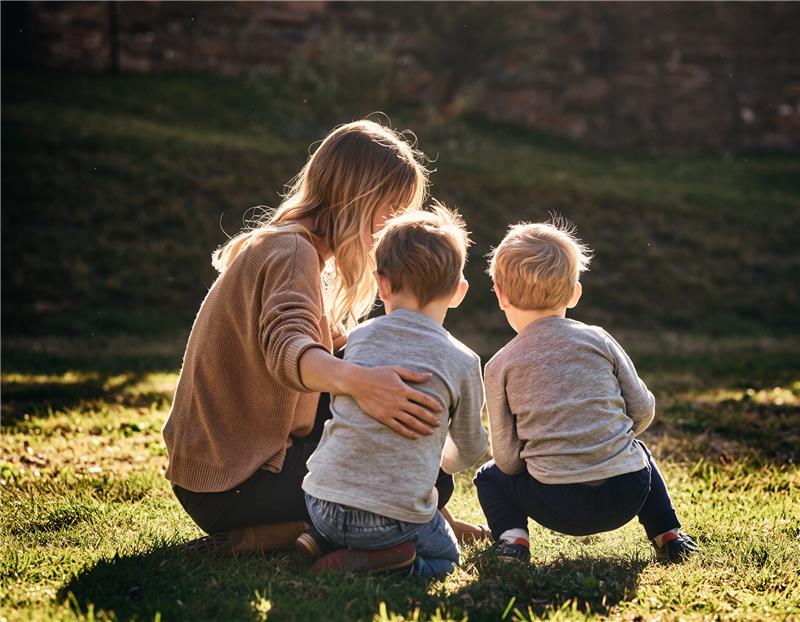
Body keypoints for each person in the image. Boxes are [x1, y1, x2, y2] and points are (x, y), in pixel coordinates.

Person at [162, 120, 482, 554]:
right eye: (393, 210)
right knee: (426, 470)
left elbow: (338, 349)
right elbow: (288, 349)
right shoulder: (293, 252)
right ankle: (294, 532)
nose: (395, 227)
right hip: (237, 480)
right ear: (358, 198)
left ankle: (407, 519)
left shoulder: (291, 249)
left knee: (398, 436)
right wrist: (364, 384)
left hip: (217, 477)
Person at [473, 220, 699, 563]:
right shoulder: (599, 340)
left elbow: (505, 458)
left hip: (555, 503)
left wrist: (547, 457)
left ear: (500, 294)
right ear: (575, 292)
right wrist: (607, 442)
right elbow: (642, 410)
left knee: (488, 477)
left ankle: (513, 540)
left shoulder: (499, 365)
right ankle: (668, 533)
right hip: (627, 492)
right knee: (638, 451)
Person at [298, 205, 488, 576]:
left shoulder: (358, 338)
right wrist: (440, 460)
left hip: (320, 502)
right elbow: (469, 447)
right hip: (390, 519)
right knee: (447, 561)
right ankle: (378, 561)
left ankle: (322, 537)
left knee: (347, 498)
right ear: (459, 291)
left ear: (381, 283)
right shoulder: (463, 360)